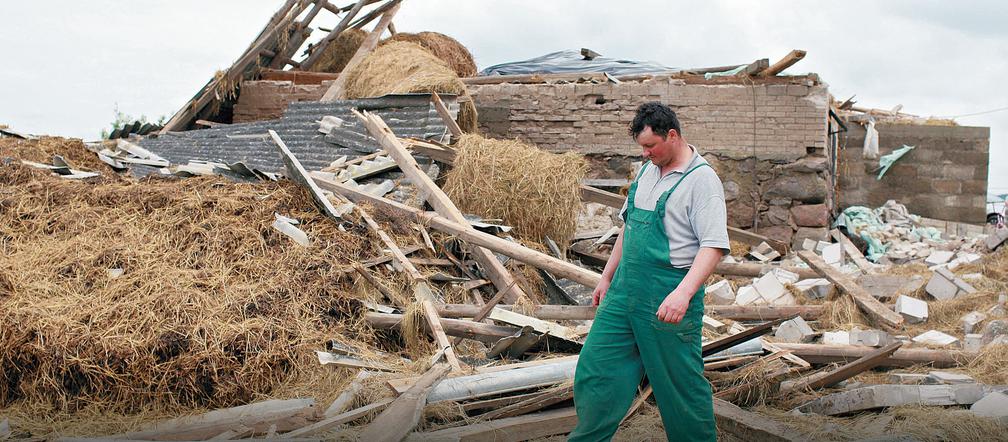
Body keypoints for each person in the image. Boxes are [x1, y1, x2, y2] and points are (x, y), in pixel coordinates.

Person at [569, 102, 729, 442]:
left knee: (679, 387)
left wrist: (684, 293)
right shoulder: (646, 171)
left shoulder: (701, 181)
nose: (645, 154)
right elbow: (629, 228)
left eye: (650, 146)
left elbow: (713, 245)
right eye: (641, 147)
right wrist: (607, 277)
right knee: (596, 370)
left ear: (672, 136)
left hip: (667, 295)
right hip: (625, 290)